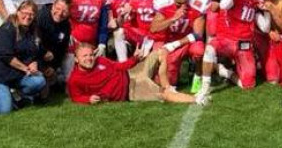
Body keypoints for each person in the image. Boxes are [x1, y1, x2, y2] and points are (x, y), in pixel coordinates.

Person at [195, 0, 268, 103]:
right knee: (209, 49)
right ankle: (205, 87)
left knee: (248, 85)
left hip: (243, 45)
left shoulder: (255, 3)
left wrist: (267, 12)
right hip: (225, 40)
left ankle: (223, 71)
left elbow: (265, 28)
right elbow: (223, 5)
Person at [67, 42, 198, 105]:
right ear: (76, 59)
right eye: (84, 56)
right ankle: (197, 99)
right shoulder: (75, 79)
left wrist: (135, 58)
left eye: (90, 55)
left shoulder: (100, 60)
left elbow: (119, 66)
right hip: (132, 90)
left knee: (160, 51)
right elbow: (75, 97)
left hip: (131, 73)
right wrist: (88, 99)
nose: (89, 58)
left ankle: (168, 86)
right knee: (164, 95)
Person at [36, 0, 71, 86]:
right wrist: (44, 52)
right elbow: (33, 41)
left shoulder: (66, 25)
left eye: (64, 11)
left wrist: (53, 66)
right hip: (35, 56)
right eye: (58, 8)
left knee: (70, 57)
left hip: (51, 59)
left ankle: (68, 83)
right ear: (53, 6)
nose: (60, 13)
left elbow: (62, 49)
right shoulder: (40, 17)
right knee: (40, 84)